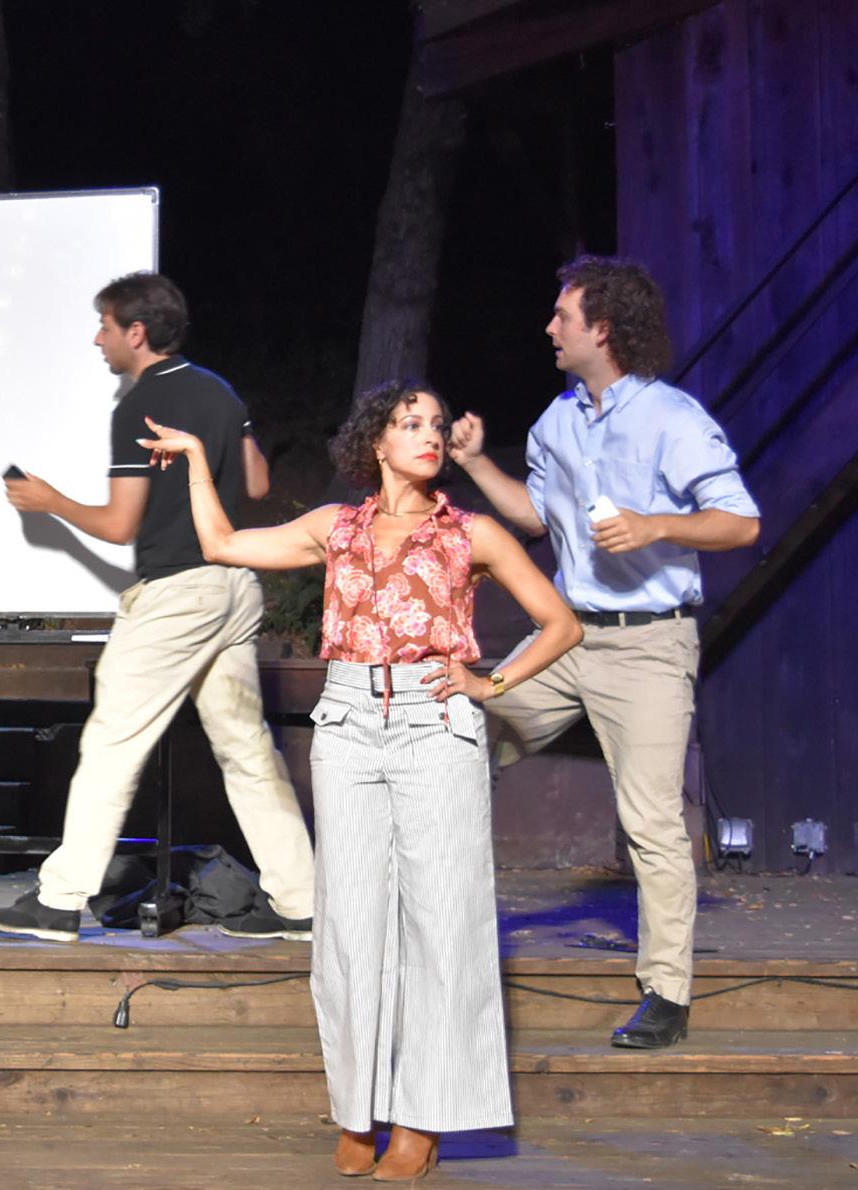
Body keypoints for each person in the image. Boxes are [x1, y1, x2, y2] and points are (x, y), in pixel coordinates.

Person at [140, 381, 581, 1181]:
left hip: (435, 724)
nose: (429, 435)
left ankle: (423, 1117)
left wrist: (490, 684)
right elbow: (223, 545)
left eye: (436, 425)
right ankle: (358, 1108)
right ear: (376, 441)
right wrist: (200, 461)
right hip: (346, 724)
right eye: (410, 423)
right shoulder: (335, 527)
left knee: (442, 923)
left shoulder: (472, 532)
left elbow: (561, 623)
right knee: (349, 925)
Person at [449, 255, 761, 1050]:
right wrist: (476, 462)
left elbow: (740, 522)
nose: (549, 328)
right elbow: (535, 518)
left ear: (603, 328)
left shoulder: (672, 418)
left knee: (650, 819)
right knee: (458, 730)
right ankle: (429, 922)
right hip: (567, 636)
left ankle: (667, 995)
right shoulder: (556, 422)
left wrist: (657, 525)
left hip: (649, 646)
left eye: (563, 316)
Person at [0, 271, 317, 944]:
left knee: (112, 740)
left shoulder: (140, 404)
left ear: (136, 332)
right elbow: (257, 481)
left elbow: (119, 523)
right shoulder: (219, 390)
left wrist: (51, 503)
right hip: (235, 585)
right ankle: (301, 902)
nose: (97, 339)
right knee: (246, 750)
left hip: (178, 594)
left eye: (104, 326)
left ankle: (59, 900)